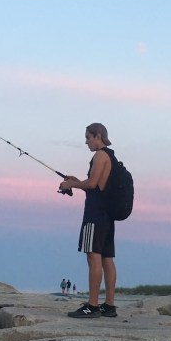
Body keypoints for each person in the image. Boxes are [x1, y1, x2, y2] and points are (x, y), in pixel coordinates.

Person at [58, 122, 117, 318]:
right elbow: (97, 183)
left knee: (93, 257)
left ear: (98, 136)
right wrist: (75, 180)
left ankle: (92, 306)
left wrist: (71, 184)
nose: (86, 142)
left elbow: (92, 184)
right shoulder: (111, 156)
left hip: (95, 214)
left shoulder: (100, 155)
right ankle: (108, 306)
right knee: (107, 259)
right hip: (107, 216)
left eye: (88, 137)